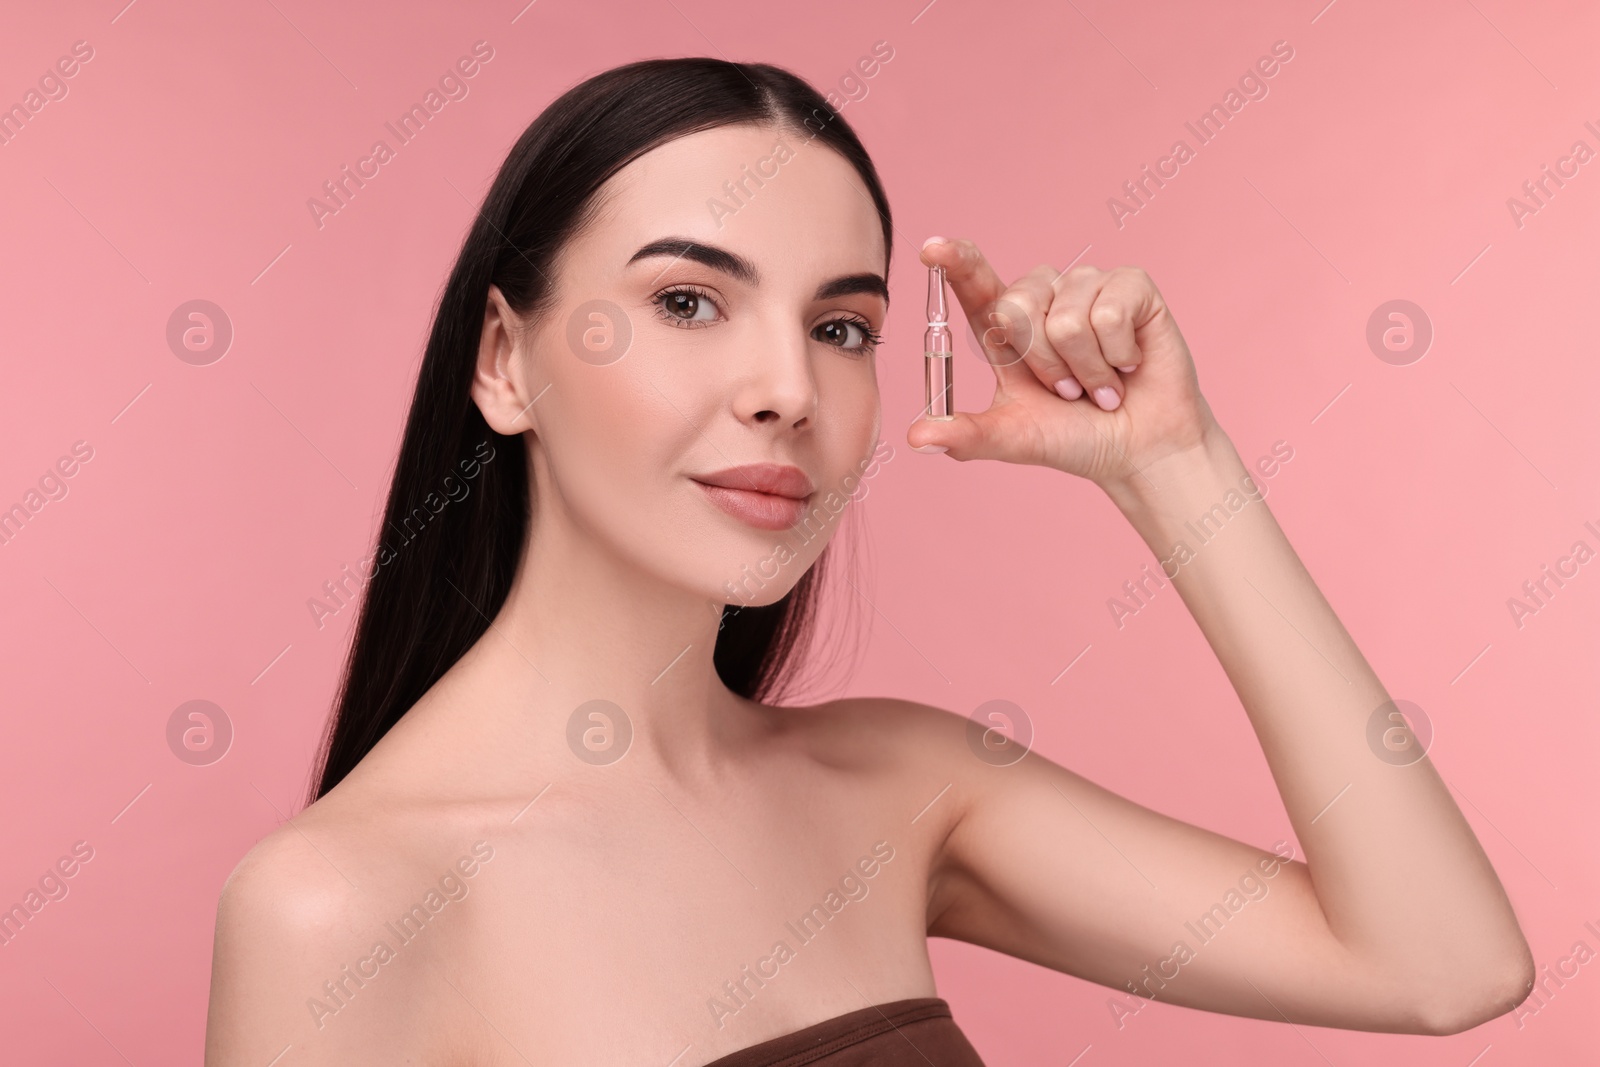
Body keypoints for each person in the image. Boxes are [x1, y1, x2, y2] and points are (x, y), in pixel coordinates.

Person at [203, 57, 1534, 1066]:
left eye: (842, 327)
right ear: (506, 361)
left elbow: (1441, 965)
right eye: (687, 301)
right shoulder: (336, 909)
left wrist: (1175, 467)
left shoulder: (904, 787)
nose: (786, 386)